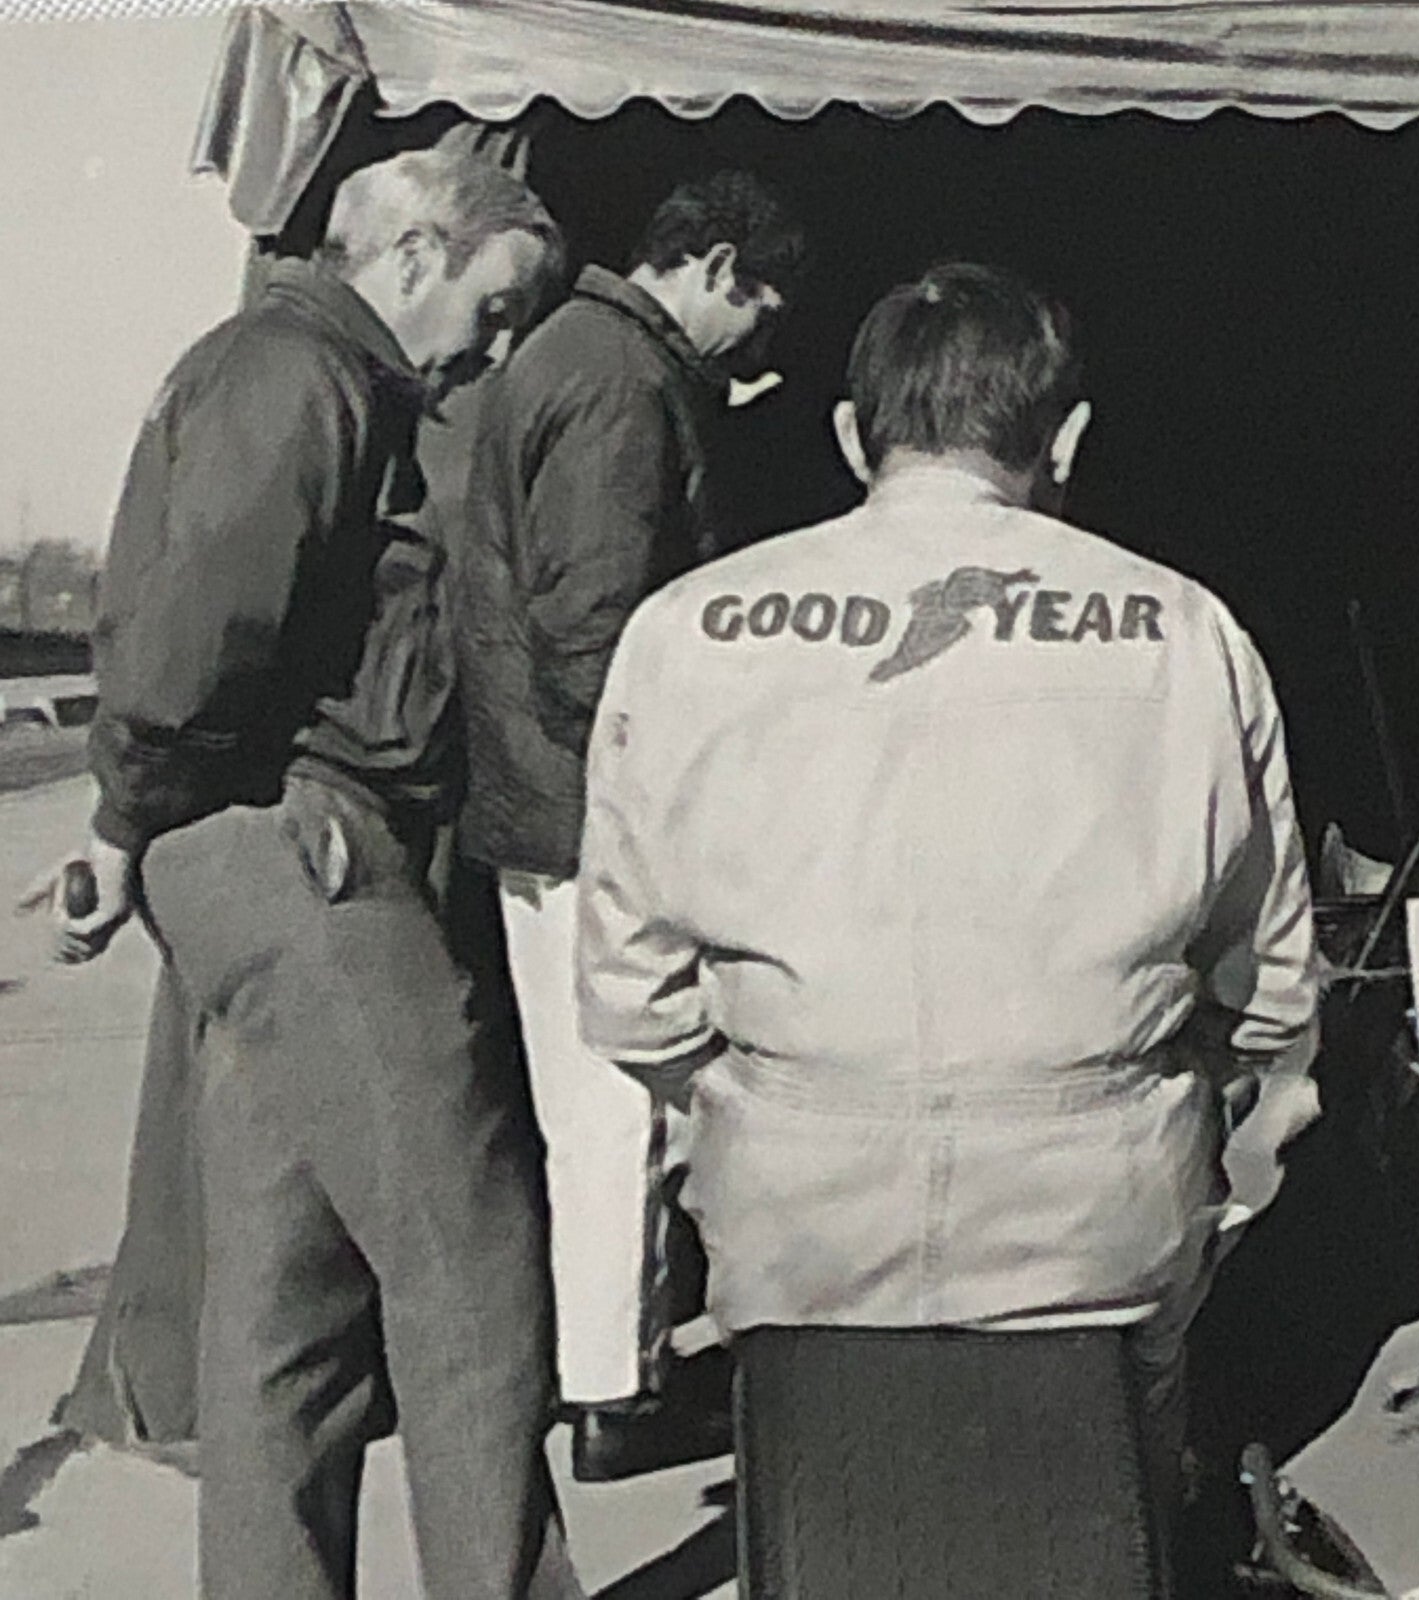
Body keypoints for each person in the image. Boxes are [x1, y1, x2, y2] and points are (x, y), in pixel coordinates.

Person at [574, 262, 1322, 1537]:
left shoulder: (681, 630)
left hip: (799, 1226)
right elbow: (1270, 985)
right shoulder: (1189, 631)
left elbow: (631, 1001)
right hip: (1099, 1225)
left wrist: (763, 1111)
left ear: (851, 437)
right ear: (1068, 439)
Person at [24, 149, 580, 1600]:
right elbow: (194, 638)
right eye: (496, 304)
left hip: (255, 851)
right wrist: (134, 809)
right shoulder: (300, 374)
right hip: (305, 846)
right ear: (413, 256)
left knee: (291, 1303)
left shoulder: (305, 374)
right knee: (473, 1251)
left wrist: (134, 833)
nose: (497, 345)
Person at [448, 169, 805, 1468]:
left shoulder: (579, 356)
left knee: (590, 1109)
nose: (759, 334)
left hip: (544, 803)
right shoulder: (616, 380)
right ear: (712, 265)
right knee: (619, 1107)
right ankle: (615, 1395)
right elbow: (594, 629)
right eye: (756, 300)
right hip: (592, 814)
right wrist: (680, 802)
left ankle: (610, 1369)